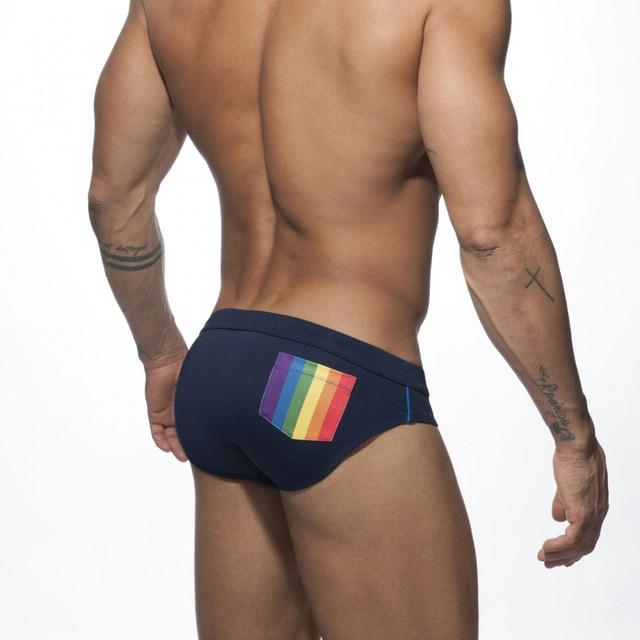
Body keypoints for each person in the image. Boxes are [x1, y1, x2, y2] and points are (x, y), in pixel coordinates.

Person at [88, 0, 609, 638]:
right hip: (324, 384)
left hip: (220, 372)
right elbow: (491, 236)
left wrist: (162, 354)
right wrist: (573, 436)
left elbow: (114, 200)